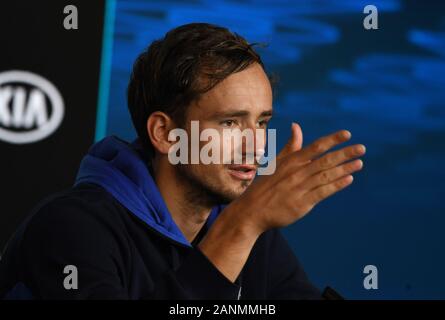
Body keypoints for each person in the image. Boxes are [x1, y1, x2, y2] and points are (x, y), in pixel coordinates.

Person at [0, 23, 365, 299]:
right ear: (164, 134)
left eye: (263, 122)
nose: (257, 146)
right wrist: (242, 227)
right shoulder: (70, 228)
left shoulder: (250, 234)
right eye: (230, 123)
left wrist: (244, 227)